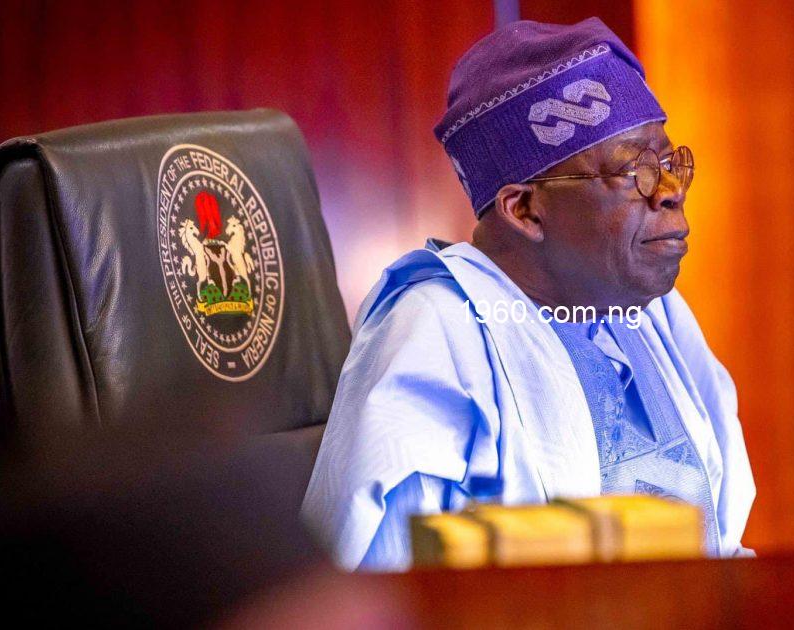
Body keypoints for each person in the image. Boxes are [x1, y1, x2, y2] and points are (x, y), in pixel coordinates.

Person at [303, 17, 754, 572]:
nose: (670, 193)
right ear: (524, 210)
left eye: (667, 164)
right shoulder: (438, 330)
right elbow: (386, 587)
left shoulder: (652, 311)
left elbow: (722, 545)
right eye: (634, 170)